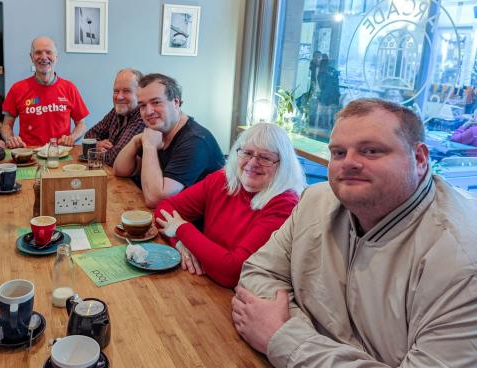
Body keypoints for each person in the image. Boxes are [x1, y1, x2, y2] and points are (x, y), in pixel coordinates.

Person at [232, 99, 477, 367]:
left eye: (370, 151)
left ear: (418, 158)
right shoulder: (314, 201)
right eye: (338, 153)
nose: (348, 163)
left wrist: (284, 337)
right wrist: (299, 338)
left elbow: (276, 332)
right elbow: (258, 273)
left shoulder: (462, 259)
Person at [154, 123, 304, 287]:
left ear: (282, 165)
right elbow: (163, 209)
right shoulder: (222, 180)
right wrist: (180, 243)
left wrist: (181, 229)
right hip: (202, 282)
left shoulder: (284, 204)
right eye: (247, 153)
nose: (252, 163)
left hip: (243, 298)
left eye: (265, 157)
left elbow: (233, 272)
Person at [113, 73, 225, 207]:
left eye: (156, 102)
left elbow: (155, 199)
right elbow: (120, 170)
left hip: (198, 225)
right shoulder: (159, 132)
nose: (148, 112)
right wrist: (136, 140)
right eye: (142, 105)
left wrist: (149, 146)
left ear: (176, 102)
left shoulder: (194, 141)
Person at [1, 36, 89, 147]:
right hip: (29, 155)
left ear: (56, 57)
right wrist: (11, 139)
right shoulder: (17, 89)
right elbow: (6, 125)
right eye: (38, 52)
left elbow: (81, 124)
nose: (43, 57)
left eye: (48, 52)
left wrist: (72, 137)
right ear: (31, 57)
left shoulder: (69, 88)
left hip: (61, 154)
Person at [83, 68, 145, 166]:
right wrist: (96, 145)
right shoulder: (117, 111)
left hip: (130, 180)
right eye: (116, 91)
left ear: (140, 93)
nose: (119, 97)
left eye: (126, 91)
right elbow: (89, 135)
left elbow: (115, 158)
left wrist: (93, 150)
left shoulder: (142, 116)